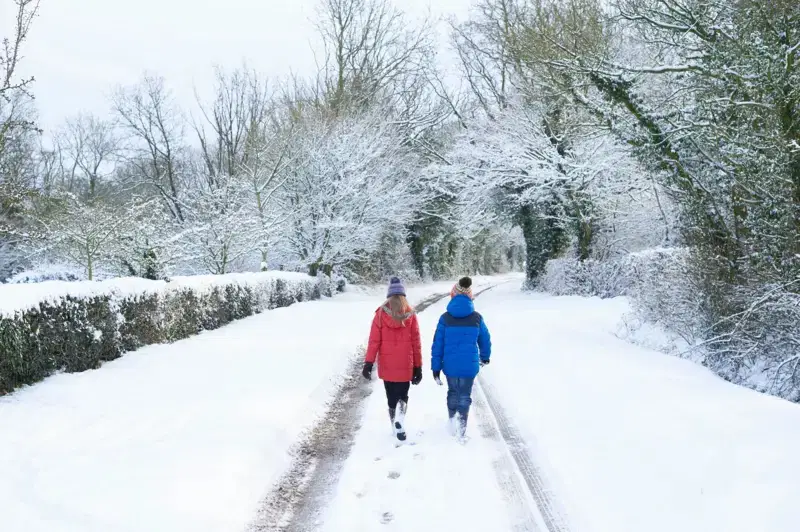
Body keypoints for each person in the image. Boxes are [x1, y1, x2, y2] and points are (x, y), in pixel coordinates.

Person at [362, 277, 423, 441]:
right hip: (406, 364)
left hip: (387, 365)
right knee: (403, 395)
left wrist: (368, 363)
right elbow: (416, 342)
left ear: (389, 295)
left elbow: (374, 341)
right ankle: (400, 420)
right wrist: (418, 366)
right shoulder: (410, 314)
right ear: (403, 295)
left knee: (391, 396)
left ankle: (393, 423)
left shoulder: (380, 314)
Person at [431, 276, 491, 440]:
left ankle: (452, 422)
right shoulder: (477, 318)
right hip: (469, 367)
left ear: (453, 295)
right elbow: (485, 339)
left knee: (453, 393)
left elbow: (438, 344)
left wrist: (436, 367)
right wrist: (484, 357)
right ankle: (461, 427)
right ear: (470, 296)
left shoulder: (445, 318)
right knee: (464, 395)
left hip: (450, 366)